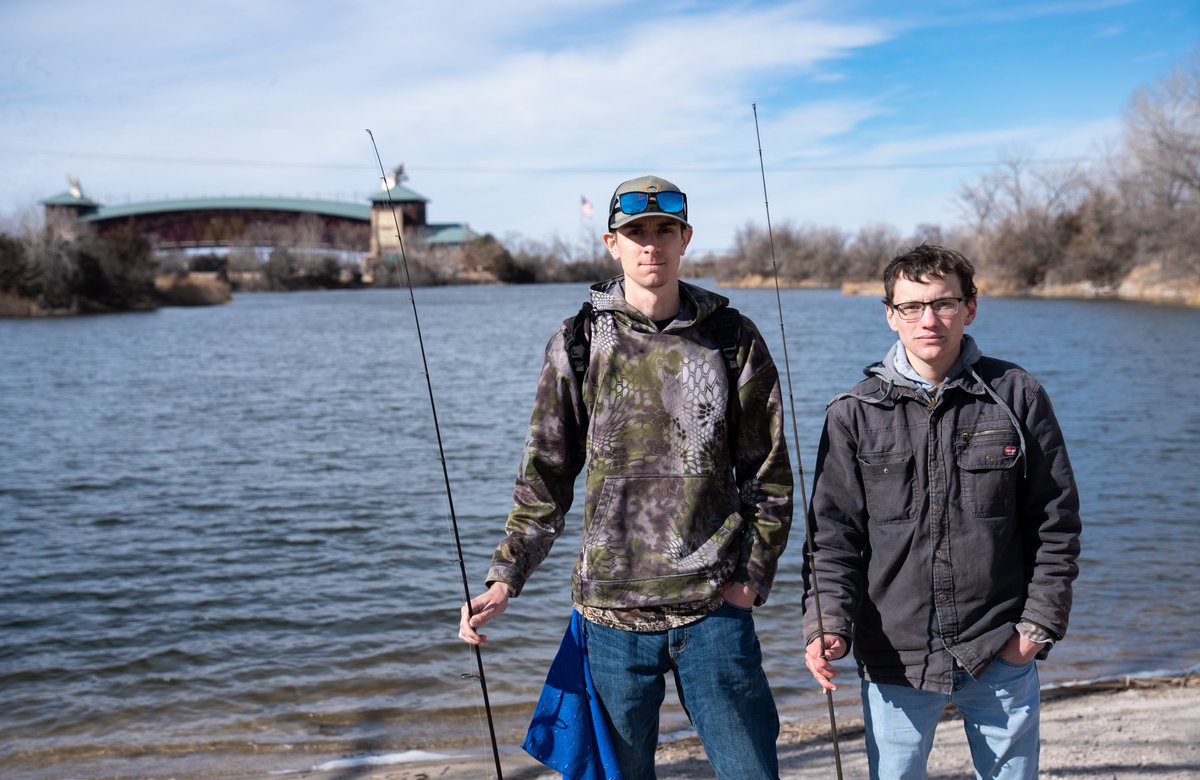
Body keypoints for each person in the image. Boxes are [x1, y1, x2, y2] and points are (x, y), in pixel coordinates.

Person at [459, 175, 794, 779]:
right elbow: (546, 475)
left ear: (685, 238)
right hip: (609, 619)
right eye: (636, 232)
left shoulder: (731, 338)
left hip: (714, 611)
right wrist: (505, 577)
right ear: (612, 243)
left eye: (665, 230)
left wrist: (750, 579)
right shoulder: (580, 339)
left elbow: (768, 477)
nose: (651, 245)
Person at [802, 244, 1082, 779]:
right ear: (891, 315)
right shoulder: (852, 413)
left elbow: (1055, 523)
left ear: (970, 308)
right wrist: (825, 625)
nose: (928, 319)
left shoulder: (1017, 395)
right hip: (893, 659)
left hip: (1000, 647)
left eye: (944, 303)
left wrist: (1036, 629)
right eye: (911, 306)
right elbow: (832, 540)